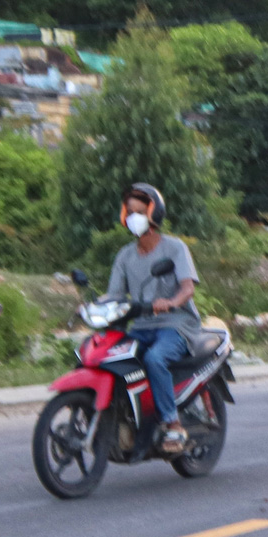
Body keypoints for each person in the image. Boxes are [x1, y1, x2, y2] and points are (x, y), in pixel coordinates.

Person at [103, 183, 201, 454]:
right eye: (129, 211)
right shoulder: (125, 255)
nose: (133, 216)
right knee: (112, 357)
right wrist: (90, 307)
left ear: (153, 213)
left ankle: (173, 424)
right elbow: (113, 296)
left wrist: (171, 302)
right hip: (143, 325)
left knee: (154, 358)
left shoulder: (174, 248)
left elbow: (188, 287)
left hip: (177, 324)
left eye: (138, 211)